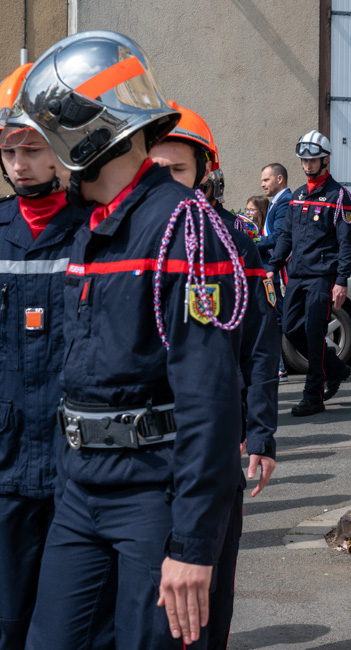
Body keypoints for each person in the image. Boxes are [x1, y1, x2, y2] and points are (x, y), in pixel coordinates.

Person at [17, 31, 257, 648]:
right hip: (82, 485)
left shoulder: (183, 225)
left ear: (84, 137)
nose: (38, 156)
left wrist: (193, 544)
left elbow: (210, 398)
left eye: (48, 137)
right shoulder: (92, 227)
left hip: (156, 493)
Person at [149, 103, 279, 647]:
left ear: (205, 171)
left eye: (177, 171)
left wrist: (262, 432)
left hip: (213, 441)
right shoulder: (129, 238)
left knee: (206, 600)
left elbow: (259, 347)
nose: (165, 185)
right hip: (145, 446)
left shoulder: (233, 242)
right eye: (154, 171)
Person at [0, 63, 88, 650]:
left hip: (74, 460)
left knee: (65, 627)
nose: (20, 163)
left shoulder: (95, 230)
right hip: (6, 461)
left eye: (32, 148)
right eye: (10, 150)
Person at [266, 131, 351, 416]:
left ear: (325, 160)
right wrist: (273, 265)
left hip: (322, 276)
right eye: (304, 160)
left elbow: (346, 242)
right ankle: (336, 368)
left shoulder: (339, 196)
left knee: (314, 333)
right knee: (291, 329)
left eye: (312, 160)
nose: (307, 165)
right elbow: (286, 236)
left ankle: (313, 395)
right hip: (298, 274)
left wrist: (341, 281)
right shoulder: (297, 196)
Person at [258, 163, 290, 382]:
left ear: (279, 179)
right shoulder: (274, 203)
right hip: (273, 271)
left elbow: (278, 237)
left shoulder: (285, 202)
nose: (262, 184)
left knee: (277, 321)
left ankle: (280, 367)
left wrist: (250, 241)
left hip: (279, 272)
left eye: (266, 180)